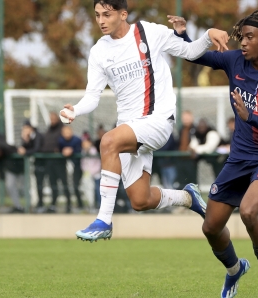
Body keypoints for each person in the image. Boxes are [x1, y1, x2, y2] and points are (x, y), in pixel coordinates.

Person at [170, 10, 258, 297]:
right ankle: (234, 269)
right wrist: (182, 35)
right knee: (211, 228)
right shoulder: (234, 61)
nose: (243, 43)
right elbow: (195, 56)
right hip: (239, 158)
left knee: (249, 212)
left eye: (250, 37)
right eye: (241, 37)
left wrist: (250, 115)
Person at [60, 0, 214, 241]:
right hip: (130, 129)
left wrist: (207, 35)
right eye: (97, 15)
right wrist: (75, 110)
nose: (101, 20)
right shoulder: (99, 51)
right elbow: (92, 96)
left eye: (107, 15)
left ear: (123, 14)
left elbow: (191, 51)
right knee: (140, 200)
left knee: (108, 141)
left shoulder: (148, 32)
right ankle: (187, 197)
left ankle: (103, 220)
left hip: (158, 120)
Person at [17, 120, 43, 212]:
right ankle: (38, 204)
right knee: (37, 183)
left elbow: (36, 148)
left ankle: (41, 204)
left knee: (41, 184)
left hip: (44, 163)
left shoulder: (37, 135)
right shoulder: (27, 137)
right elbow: (24, 148)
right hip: (36, 164)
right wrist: (25, 140)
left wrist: (26, 152)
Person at [59, 125, 84, 213]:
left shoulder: (77, 140)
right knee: (65, 185)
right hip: (64, 166)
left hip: (76, 166)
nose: (67, 134)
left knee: (75, 185)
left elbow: (79, 150)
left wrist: (71, 151)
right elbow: (58, 150)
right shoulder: (60, 141)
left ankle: (80, 204)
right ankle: (68, 205)